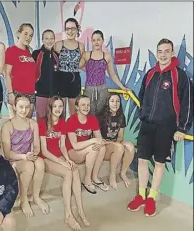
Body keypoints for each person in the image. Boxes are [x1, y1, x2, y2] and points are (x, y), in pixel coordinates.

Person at [127, 39, 193, 217]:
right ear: (156, 53)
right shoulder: (150, 74)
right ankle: (141, 195)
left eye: (166, 51)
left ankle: (152, 198)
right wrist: (143, 114)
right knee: (141, 160)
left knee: (159, 163)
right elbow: (142, 95)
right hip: (147, 124)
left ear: (172, 53)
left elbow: (187, 104)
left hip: (166, 127)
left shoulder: (181, 76)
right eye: (160, 51)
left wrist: (182, 129)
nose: (163, 55)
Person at [39, 96, 89, 230]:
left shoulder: (62, 123)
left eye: (60, 106)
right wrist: (63, 164)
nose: (58, 109)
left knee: (75, 169)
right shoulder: (42, 123)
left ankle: (80, 209)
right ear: (50, 107)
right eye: (55, 106)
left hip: (59, 155)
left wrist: (67, 159)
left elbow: (62, 146)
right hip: (45, 158)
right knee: (68, 172)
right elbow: (44, 150)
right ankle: (68, 214)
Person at [1, 94, 49, 217]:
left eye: (27, 107)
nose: (24, 110)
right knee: (28, 166)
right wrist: (24, 157)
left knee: (40, 163)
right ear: (15, 107)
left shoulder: (33, 124)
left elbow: (37, 146)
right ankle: (23, 199)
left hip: (28, 156)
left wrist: (34, 154)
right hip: (14, 159)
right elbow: (7, 153)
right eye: (21, 107)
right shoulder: (7, 126)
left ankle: (36, 196)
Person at [66, 94, 111, 194]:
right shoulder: (71, 120)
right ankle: (86, 180)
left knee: (102, 147)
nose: (86, 107)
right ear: (77, 107)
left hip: (85, 149)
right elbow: (75, 146)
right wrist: (92, 141)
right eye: (83, 105)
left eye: (88, 105)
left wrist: (98, 142)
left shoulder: (92, 119)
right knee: (93, 148)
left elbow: (99, 138)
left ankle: (94, 177)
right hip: (73, 152)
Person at [79, 30, 129, 115]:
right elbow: (78, 66)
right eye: (94, 40)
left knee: (101, 114)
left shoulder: (107, 56)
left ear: (102, 40)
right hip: (89, 88)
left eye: (98, 39)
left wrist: (122, 87)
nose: (96, 42)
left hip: (102, 89)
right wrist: (89, 69)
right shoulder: (86, 55)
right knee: (88, 113)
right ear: (91, 42)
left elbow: (112, 75)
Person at [97, 93, 135, 189]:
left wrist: (116, 143)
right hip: (103, 146)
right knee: (119, 146)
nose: (115, 103)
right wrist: (112, 144)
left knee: (130, 146)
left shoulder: (121, 116)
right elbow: (97, 137)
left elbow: (121, 136)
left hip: (115, 144)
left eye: (118, 101)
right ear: (108, 102)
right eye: (112, 101)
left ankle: (123, 173)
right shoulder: (100, 116)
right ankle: (112, 174)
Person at [54, 18, 85, 117]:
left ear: (77, 29)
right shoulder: (58, 44)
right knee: (60, 112)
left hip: (74, 80)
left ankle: (72, 132)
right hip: (60, 80)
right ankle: (62, 132)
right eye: (67, 29)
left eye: (72, 28)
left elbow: (81, 64)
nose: (70, 31)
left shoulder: (81, 46)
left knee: (74, 113)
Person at [5, 23, 36, 119]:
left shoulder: (29, 53)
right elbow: (7, 74)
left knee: (27, 126)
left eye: (31, 35)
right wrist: (10, 93)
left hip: (30, 94)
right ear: (19, 34)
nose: (28, 37)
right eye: (25, 34)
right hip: (16, 93)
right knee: (16, 127)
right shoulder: (11, 51)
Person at [32, 29, 59, 121]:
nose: (49, 41)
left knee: (53, 120)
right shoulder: (36, 54)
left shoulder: (56, 55)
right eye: (47, 38)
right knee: (41, 121)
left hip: (54, 95)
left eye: (51, 38)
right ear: (43, 40)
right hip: (40, 94)